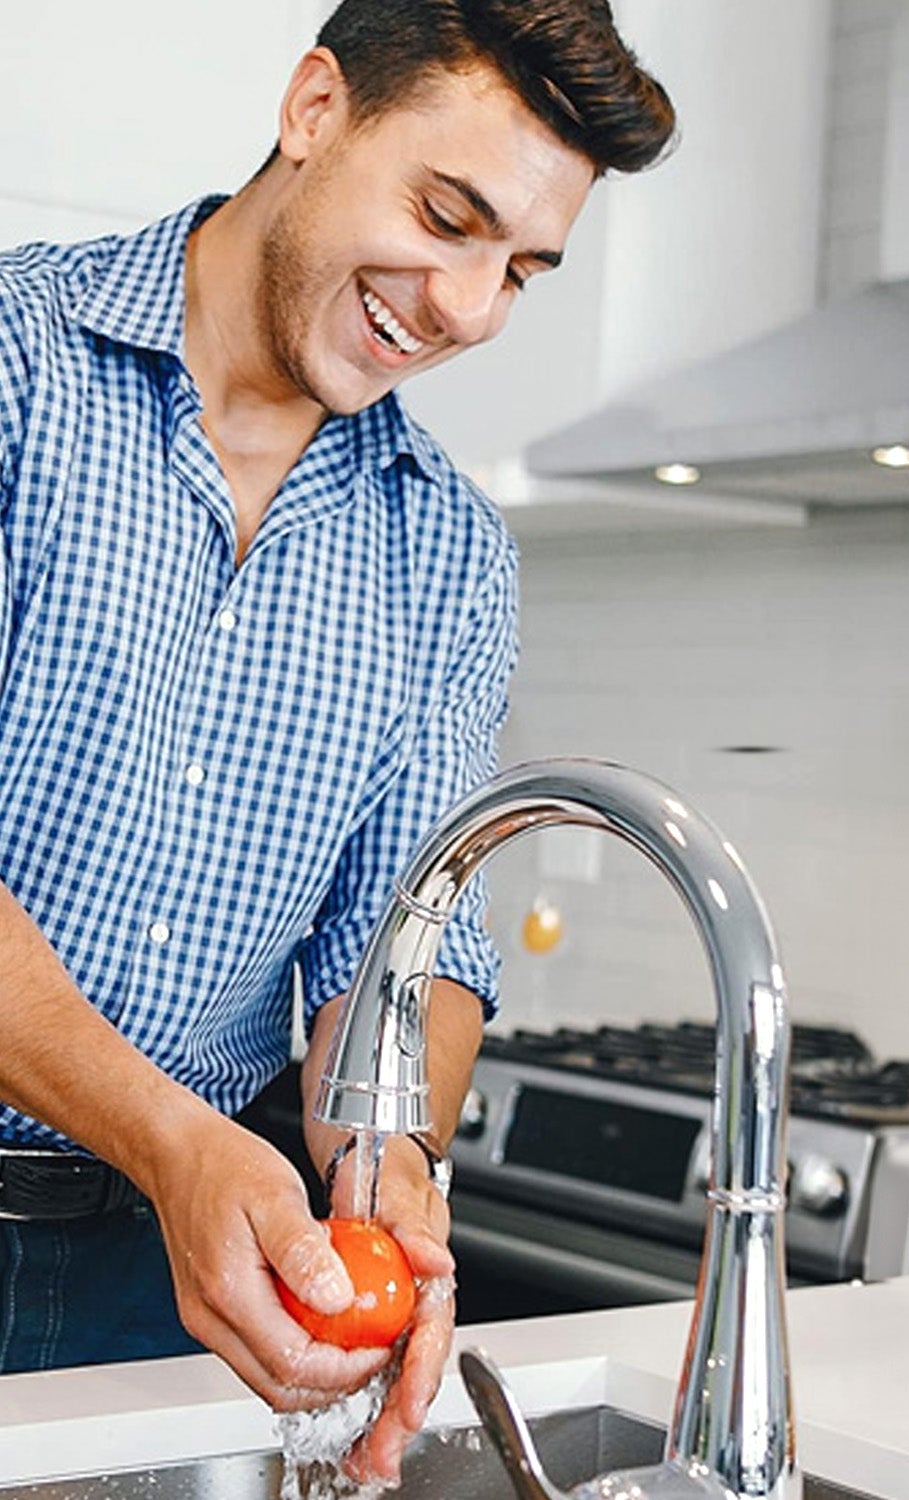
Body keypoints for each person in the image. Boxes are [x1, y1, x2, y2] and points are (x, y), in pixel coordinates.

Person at [0, 0, 673, 1483]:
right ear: (315, 109)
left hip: (174, 1281)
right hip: (180, 1192)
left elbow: (406, 945)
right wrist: (172, 1140)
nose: (468, 308)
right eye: (449, 217)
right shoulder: (12, 369)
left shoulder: (446, 552)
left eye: (522, 270)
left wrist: (395, 1175)